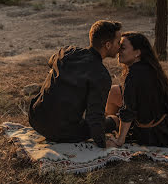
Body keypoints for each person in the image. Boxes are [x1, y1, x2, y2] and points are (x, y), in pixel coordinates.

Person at [28, 20, 122, 148]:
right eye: (118, 42)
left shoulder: (68, 51)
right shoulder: (101, 75)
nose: (119, 47)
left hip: (35, 118)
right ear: (108, 45)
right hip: (60, 132)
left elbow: (51, 62)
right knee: (113, 120)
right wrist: (103, 142)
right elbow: (93, 117)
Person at [106, 32, 168, 148]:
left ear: (137, 53)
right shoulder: (150, 68)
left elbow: (128, 110)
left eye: (123, 48)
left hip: (153, 135)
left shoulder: (134, 75)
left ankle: (114, 128)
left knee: (111, 121)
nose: (118, 50)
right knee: (114, 91)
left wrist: (120, 140)